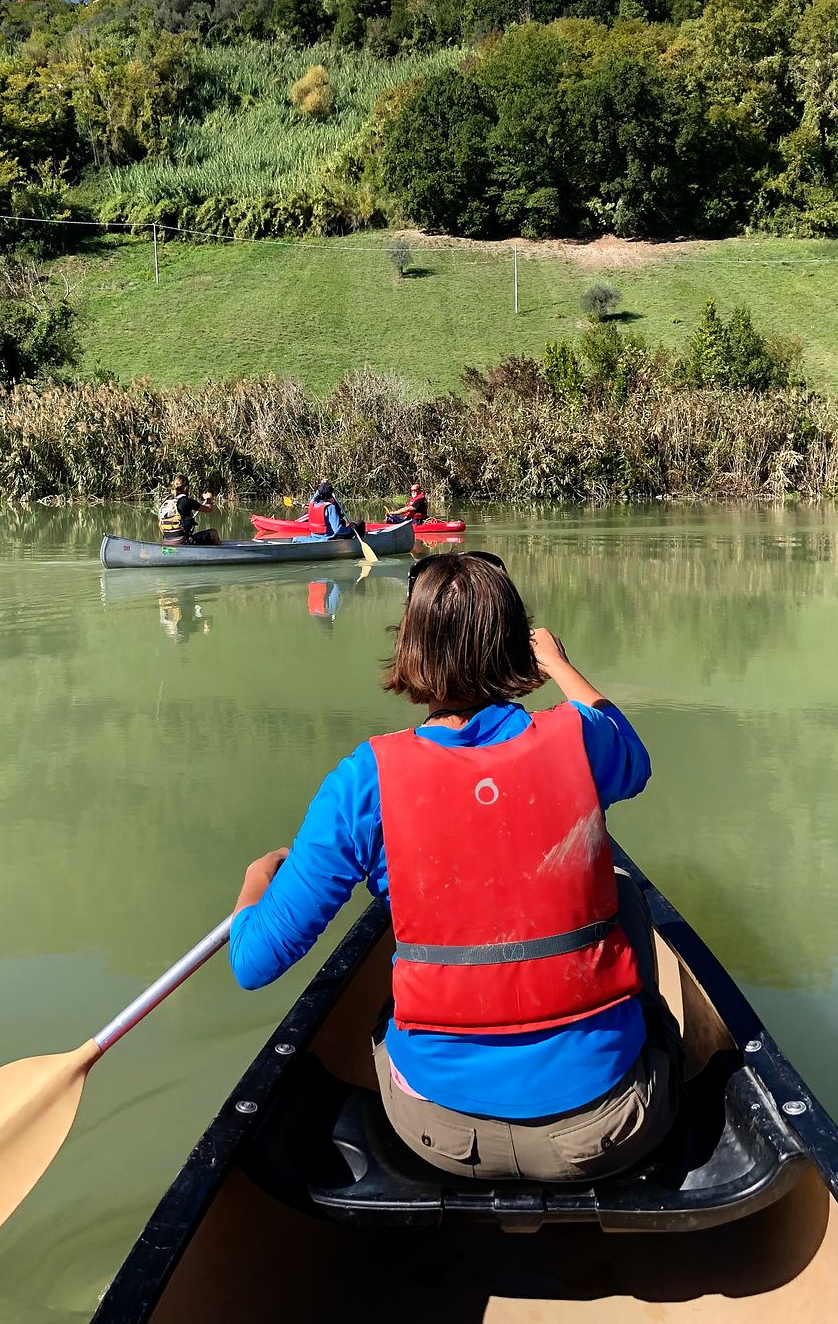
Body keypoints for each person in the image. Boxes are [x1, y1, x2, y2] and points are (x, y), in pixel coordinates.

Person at [229, 552, 682, 1184]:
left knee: (389, 960)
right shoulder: (581, 739)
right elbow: (631, 748)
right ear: (516, 648)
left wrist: (256, 882)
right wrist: (556, 662)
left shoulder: (364, 783)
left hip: (437, 1136)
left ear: (411, 648)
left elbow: (252, 964)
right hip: (609, 1129)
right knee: (626, 898)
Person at [157, 475, 220, 547]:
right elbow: (209, 509)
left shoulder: (165, 503)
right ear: (186, 488)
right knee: (213, 533)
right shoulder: (187, 501)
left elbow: (160, 524)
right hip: (182, 542)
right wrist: (209, 498)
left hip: (167, 544)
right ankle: (222, 553)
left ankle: (168, 552)